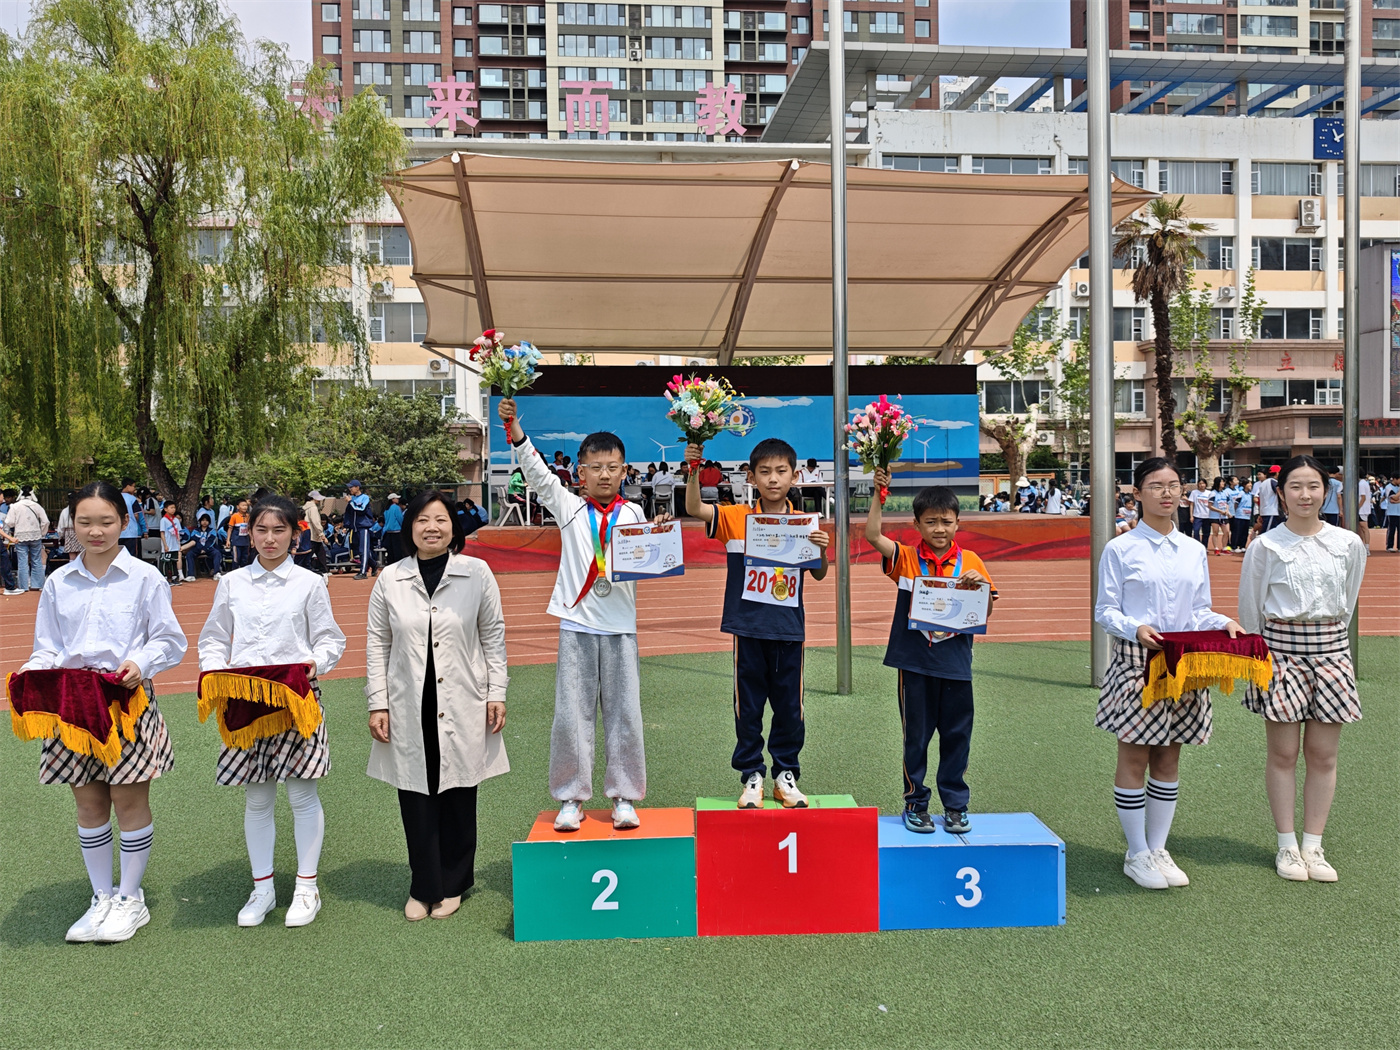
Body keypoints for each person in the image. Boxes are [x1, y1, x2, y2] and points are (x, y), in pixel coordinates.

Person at [18, 480, 188, 942]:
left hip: (125, 702)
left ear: (124, 522)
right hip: (73, 705)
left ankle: (130, 899)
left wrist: (141, 663)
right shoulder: (58, 582)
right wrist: (33, 673)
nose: (95, 531)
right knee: (88, 803)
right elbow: (47, 646)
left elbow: (169, 640)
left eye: (106, 521)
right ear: (72, 525)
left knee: (128, 801)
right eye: (85, 522)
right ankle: (101, 896)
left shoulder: (145, 578)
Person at [499, 397, 656, 832]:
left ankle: (624, 796)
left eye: (613, 467)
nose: (604, 474)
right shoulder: (568, 508)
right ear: (580, 473)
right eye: (595, 467)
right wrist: (515, 430)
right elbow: (537, 474)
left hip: (621, 629)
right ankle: (571, 797)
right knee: (572, 716)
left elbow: (646, 559)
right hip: (577, 626)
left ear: (624, 471)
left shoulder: (635, 513)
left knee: (625, 715)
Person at [197, 495, 346, 928]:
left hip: (295, 698)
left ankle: (306, 887)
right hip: (246, 702)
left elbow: (330, 639)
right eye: (261, 529)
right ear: (249, 533)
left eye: (279, 530)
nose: (269, 538)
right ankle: (262, 889)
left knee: (302, 795)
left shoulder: (309, 583)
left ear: (295, 535)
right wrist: (214, 670)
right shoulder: (231, 583)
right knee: (257, 798)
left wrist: (316, 662)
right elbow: (213, 638)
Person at [1094, 458, 1244, 891]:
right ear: (1137, 493)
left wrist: (1223, 622)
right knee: (1134, 755)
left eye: (1174, 485)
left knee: (1169, 755)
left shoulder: (1193, 549)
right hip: (1137, 662)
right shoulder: (1120, 549)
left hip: (1183, 664)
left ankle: (1158, 848)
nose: (1166, 493)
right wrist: (1135, 628)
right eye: (1156, 485)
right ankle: (1136, 851)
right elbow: (1105, 610)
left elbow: (1198, 609)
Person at [366, 490, 509, 920]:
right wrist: (378, 703)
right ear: (410, 527)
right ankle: (424, 886)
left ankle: (454, 882)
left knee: (460, 792)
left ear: (454, 527)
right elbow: (377, 643)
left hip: (463, 697)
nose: (432, 528)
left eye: (441, 519)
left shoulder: (476, 573)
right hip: (409, 700)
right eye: (423, 520)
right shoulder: (391, 578)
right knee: (416, 794)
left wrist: (497, 692)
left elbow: (493, 635)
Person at [1237, 455, 1367, 883]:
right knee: (1283, 754)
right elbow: (1251, 610)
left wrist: (1329, 644)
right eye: (1295, 486)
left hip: (1332, 653)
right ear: (1281, 494)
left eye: (1314, 486)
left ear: (1326, 492)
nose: (1305, 495)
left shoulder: (1348, 544)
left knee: (1324, 755)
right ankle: (1287, 846)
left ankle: (1314, 845)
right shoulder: (1265, 547)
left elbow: (1348, 601)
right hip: (1281, 655)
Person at [684, 436, 830, 809]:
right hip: (747, 629)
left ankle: (786, 775)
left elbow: (818, 574)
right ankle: (752, 774)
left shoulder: (804, 523)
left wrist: (821, 550)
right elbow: (694, 507)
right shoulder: (736, 518)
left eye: (781, 471)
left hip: (788, 630)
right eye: (764, 472)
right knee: (747, 708)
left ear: (795, 476)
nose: (773, 479)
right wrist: (694, 469)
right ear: (751, 477)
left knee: (790, 709)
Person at [864, 471, 996, 834]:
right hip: (915, 664)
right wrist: (878, 493)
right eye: (931, 522)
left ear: (958, 523)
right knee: (916, 738)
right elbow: (873, 536)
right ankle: (915, 803)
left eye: (946, 522)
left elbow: (985, 612)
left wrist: (981, 589)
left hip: (955, 664)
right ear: (917, 524)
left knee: (957, 737)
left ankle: (955, 805)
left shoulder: (972, 562)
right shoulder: (906, 558)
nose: (939, 529)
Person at [6, 485, 50, 591]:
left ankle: (23, 586)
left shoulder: (15, 506)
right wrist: (42, 533)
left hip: (20, 536)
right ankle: (37, 585)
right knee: (36, 560)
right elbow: (45, 521)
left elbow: (9, 522)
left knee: (22, 562)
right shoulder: (37, 506)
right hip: (35, 536)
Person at [344, 481, 376, 579]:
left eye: (352, 487)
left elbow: (361, 509)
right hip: (354, 528)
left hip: (363, 527)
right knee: (359, 550)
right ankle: (374, 564)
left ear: (357, 487)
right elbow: (349, 513)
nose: (350, 489)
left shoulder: (365, 498)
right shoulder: (352, 498)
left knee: (363, 550)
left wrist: (350, 502)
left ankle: (363, 572)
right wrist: (347, 525)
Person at [189, 513, 224, 580]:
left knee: (217, 553)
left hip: (209, 548)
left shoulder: (212, 531)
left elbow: (211, 541)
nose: (204, 522)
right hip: (198, 548)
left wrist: (205, 548)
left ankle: (216, 573)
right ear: (200, 521)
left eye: (206, 520)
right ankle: (191, 575)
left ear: (209, 522)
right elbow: (195, 540)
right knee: (189, 554)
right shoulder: (195, 531)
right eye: (203, 520)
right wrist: (201, 548)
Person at [302, 490, 329, 575]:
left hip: (307, 533)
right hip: (314, 535)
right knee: (316, 553)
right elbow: (316, 522)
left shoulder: (304, 508)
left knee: (319, 552)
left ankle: (324, 570)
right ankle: (324, 571)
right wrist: (322, 534)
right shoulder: (313, 508)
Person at [157, 501, 183, 585]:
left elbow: (178, 532)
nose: (173, 509)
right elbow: (162, 533)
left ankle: (175, 577)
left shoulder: (176, 520)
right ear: (165, 509)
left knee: (174, 561)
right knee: (166, 562)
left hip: (175, 544)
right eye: (171, 508)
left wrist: (179, 544)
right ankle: (166, 578)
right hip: (168, 544)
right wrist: (165, 545)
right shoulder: (164, 520)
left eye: (174, 508)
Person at [226, 497, 252, 569]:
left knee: (245, 559)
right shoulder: (234, 516)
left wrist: (252, 540)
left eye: (246, 505)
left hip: (246, 542)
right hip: (237, 542)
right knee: (236, 559)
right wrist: (228, 540)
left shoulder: (248, 516)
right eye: (243, 505)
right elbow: (230, 529)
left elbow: (249, 529)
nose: (245, 507)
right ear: (238, 507)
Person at [1256, 465, 1283, 533]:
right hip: (1272, 512)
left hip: (1265, 512)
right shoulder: (1273, 482)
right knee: (1267, 534)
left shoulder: (1263, 483)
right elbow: (1280, 494)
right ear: (1277, 473)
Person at [1231, 480, 1255, 552]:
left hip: (1247, 516)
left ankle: (1242, 546)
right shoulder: (1241, 493)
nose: (1250, 485)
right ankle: (1234, 546)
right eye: (1249, 484)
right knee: (1237, 531)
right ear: (1244, 485)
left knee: (1245, 532)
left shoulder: (1250, 494)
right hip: (1240, 515)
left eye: (1251, 484)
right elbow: (1236, 504)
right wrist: (1236, 512)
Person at [382, 493, 405, 565]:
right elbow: (400, 518)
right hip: (397, 532)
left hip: (388, 532)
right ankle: (398, 565)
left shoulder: (386, 509)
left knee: (390, 551)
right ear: (393, 499)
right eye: (396, 498)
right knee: (397, 551)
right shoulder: (396, 508)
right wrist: (404, 527)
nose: (398, 499)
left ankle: (391, 564)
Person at [1188, 478, 1211, 545]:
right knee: (1196, 530)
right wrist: (1191, 516)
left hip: (1207, 516)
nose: (1202, 485)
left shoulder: (1209, 493)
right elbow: (1191, 504)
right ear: (1198, 484)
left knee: (1206, 532)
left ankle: (1204, 546)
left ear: (1206, 484)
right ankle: (1197, 544)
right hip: (1197, 516)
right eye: (1200, 483)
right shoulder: (1194, 492)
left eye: (1203, 483)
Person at [1383, 471, 1400, 552]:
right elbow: (1394, 498)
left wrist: (1397, 500)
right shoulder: (1388, 487)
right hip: (1392, 512)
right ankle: (1389, 546)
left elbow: (1395, 499)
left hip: (1399, 511)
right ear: (1395, 479)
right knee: (1391, 530)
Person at [1356, 473, 1372, 548]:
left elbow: (1363, 497)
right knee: (1360, 528)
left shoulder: (1361, 484)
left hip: (1362, 510)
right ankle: (1362, 546)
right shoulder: (1363, 483)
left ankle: (1366, 546)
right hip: (1363, 509)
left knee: (1364, 527)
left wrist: (1357, 508)